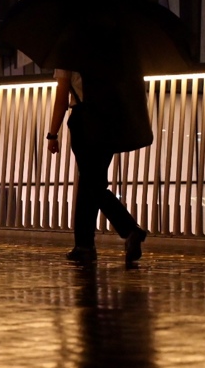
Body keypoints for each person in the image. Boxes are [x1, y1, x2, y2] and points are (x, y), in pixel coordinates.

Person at [47, 67, 148, 267]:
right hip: (111, 121)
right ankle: (84, 246)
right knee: (92, 181)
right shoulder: (109, 51)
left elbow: (62, 98)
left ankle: (128, 230)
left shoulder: (68, 51)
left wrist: (52, 134)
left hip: (84, 121)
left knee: (91, 183)